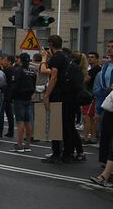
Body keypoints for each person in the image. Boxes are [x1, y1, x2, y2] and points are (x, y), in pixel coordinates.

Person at [41, 36, 81, 164]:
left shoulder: (56, 58)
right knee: (68, 125)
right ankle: (68, 153)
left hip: (58, 95)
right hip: (70, 96)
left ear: (51, 44)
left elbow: (54, 77)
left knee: (56, 125)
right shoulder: (67, 56)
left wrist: (47, 95)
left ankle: (56, 153)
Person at [10, 52, 38, 152]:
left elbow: (15, 85)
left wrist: (11, 96)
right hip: (29, 98)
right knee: (28, 121)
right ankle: (27, 144)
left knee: (20, 121)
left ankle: (19, 144)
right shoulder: (32, 72)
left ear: (20, 60)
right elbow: (34, 85)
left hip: (19, 98)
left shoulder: (18, 70)